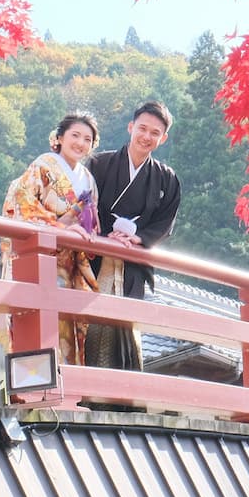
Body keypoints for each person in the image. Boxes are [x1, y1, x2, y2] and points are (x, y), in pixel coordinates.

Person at [0, 112, 101, 365]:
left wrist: (85, 231)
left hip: (69, 265)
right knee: (33, 323)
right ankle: (25, 378)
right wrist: (60, 228)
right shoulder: (43, 166)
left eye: (87, 139)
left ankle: (64, 382)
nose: (80, 143)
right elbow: (22, 204)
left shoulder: (88, 179)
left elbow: (91, 223)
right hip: (39, 258)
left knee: (65, 328)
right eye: (75, 135)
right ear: (60, 137)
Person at [85, 100, 181, 370]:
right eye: (142, 128)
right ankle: (82, 383)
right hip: (94, 258)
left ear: (163, 138)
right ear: (131, 127)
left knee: (124, 329)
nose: (146, 136)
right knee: (87, 322)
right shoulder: (99, 164)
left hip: (133, 264)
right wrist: (105, 235)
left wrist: (139, 238)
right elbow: (84, 206)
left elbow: (165, 221)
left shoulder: (167, 178)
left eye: (155, 132)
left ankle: (117, 387)